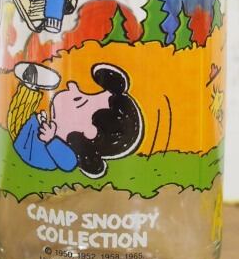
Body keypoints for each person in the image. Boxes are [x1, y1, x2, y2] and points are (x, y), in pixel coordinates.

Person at [13, 64, 144, 178]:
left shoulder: (69, 154)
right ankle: (30, 85)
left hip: (27, 146)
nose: (71, 85)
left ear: (89, 132)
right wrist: (43, 122)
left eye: (79, 100)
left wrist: (50, 140)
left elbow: (68, 164)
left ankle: (30, 85)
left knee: (20, 110)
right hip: (29, 134)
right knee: (22, 107)